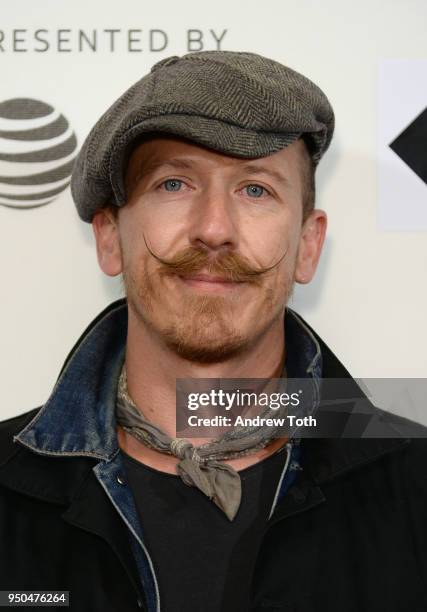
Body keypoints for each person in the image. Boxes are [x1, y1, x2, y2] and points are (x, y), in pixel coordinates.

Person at [0, 50, 426, 612]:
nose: (214, 229)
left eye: (256, 190)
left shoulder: (415, 486)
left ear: (308, 245)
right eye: (174, 184)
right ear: (109, 237)